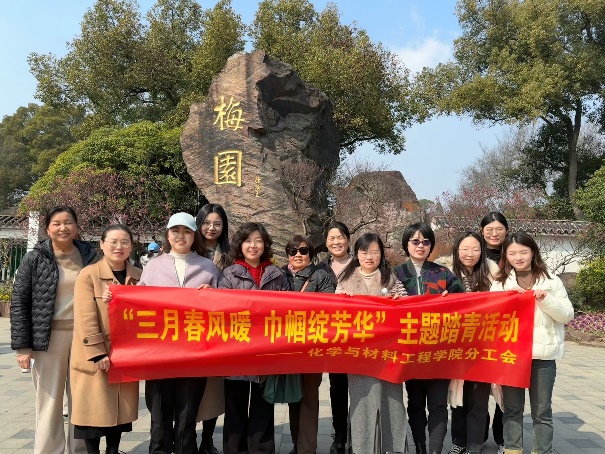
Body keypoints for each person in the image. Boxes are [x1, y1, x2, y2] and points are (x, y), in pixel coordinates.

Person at [10, 206, 96, 454]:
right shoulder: (35, 258)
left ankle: (80, 450)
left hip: (84, 336)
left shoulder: (90, 255)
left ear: (76, 226)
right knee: (50, 400)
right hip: (48, 338)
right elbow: (19, 301)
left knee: (82, 398)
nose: (63, 228)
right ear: (47, 228)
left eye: (68, 222)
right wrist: (23, 347)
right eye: (56, 223)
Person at [139, 212, 220, 454]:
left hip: (194, 353)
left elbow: (222, 307)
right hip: (159, 352)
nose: (180, 236)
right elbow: (137, 301)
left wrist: (213, 295)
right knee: (159, 414)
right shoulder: (153, 266)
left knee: (188, 413)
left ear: (194, 236)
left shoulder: (207, 267)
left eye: (186, 231)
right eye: (175, 231)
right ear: (168, 234)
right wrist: (114, 296)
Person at [490, 232, 574, 454]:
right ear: (506, 256)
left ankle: (542, 451)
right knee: (512, 409)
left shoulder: (552, 281)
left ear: (533, 252)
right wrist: (507, 299)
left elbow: (566, 315)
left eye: (523, 252)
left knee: (542, 411)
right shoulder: (500, 283)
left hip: (542, 357)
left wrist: (546, 299)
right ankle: (512, 450)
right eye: (512, 253)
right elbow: (490, 317)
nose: (518, 257)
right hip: (512, 356)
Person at [218, 222, 291, 454]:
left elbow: (287, 312)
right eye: (248, 241)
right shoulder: (229, 274)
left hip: (266, 354)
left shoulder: (277, 275)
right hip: (237, 353)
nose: (253, 245)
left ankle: (261, 450)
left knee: (263, 409)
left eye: (258, 241)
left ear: (265, 245)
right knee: (235, 409)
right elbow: (223, 312)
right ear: (240, 245)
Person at [394, 222, 465, 454]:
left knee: (438, 405)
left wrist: (450, 300)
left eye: (426, 241)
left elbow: (464, 302)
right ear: (406, 244)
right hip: (410, 351)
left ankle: (435, 451)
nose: (420, 245)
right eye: (415, 241)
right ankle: (420, 448)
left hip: (438, 351)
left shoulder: (443, 273)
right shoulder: (396, 274)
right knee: (415, 404)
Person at [71, 224, 142, 454]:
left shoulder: (139, 276)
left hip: (125, 355)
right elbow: (85, 317)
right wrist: (97, 352)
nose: (119, 247)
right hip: (96, 355)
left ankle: (113, 450)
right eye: (113, 241)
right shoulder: (89, 275)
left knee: (118, 412)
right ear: (102, 244)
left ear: (131, 246)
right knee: (92, 413)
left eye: (124, 242)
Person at [337, 233, 408, 454]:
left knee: (392, 401)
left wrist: (399, 302)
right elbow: (334, 315)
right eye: (364, 252)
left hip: (388, 354)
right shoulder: (345, 279)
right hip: (358, 355)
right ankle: (361, 448)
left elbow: (408, 309)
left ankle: (393, 449)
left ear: (381, 254)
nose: (369, 257)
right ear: (357, 254)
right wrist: (341, 300)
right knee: (362, 403)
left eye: (375, 252)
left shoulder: (391, 278)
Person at [283, 235, 336, 454]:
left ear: (311, 254)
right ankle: (298, 445)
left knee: (309, 397)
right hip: (287, 347)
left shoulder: (321, 275)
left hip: (312, 347)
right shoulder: (280, 275)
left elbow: (329, 308)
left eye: (303, 251)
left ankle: (307, 449)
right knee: (293, 398)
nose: (298, 255)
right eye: (293, 251)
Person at [447, 232, 493, 454]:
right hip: (454, 347)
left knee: (479, 398)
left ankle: (475, 444)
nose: (470, 254)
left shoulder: (493, 275)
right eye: (465, 249)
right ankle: (459, 441)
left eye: (475, 249)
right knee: (458, 398)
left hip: (483, 347)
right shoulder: (446, 274)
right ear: (457, 250)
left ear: (482, 251)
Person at [195, 203, 231, 454]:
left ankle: (207, 439)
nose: (211, 228)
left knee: (214, 387)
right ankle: (186, 436)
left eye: (217, 224)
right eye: (207, 223)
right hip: (190, 326)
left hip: (219, 328)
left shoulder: (229, 255)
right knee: (190, 385)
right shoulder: (188, 249)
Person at [321, 221, 352, 454]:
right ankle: (339, 434)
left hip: (362, 336)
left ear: (348, 240)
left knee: (360, 388)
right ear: (326, 242)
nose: (336, 242)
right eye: (332, 238)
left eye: (340, 237)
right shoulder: (320, 268)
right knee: (337, 387)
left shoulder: (361, 263)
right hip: (334, 338)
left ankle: (359, 433)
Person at [480, 212, 509, 452]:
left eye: (499, 228)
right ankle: (479, 433)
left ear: (506, 230)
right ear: (482, 231)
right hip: (478, 331)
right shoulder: (474, 254)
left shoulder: (514, 254)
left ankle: (501, 436)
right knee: (478, 387)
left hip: (506, 330)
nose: (494, 233)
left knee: (505, 385)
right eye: (489, 229)